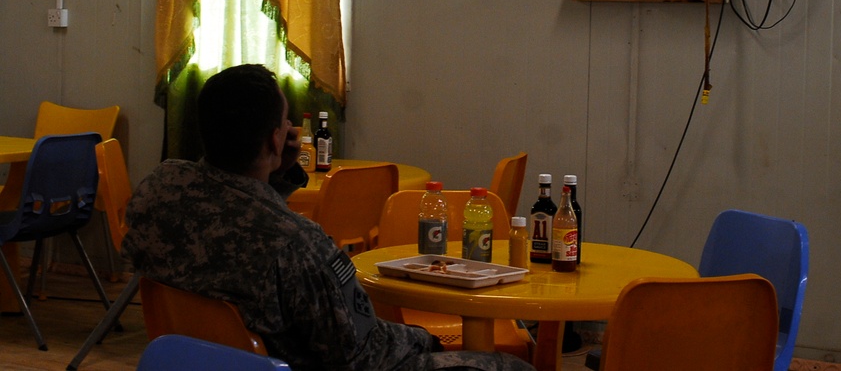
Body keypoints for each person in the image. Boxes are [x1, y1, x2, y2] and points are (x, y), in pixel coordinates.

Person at [123, 64, 534, 371]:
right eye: (284, 122)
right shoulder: (298, 243)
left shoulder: (160, 187)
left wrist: (277, 171)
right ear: (273, 137)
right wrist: (422, 339)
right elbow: (357, 353)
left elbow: (233, 207)